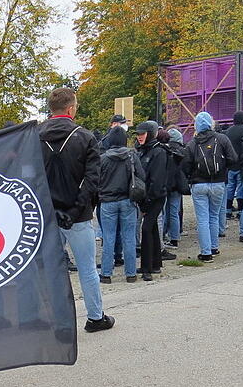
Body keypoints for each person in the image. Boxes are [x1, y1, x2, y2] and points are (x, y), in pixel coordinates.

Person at [38, 87, 113, 332]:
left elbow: (31, 178)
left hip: (47, 215)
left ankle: (54, 320)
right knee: (87, 268)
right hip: (77, 216)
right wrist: (74, 210)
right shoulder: (85, 137)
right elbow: (92, 180)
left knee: (50, 270)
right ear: (71, 109)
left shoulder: (35, 137)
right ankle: (94, 317)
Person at [182, 111, 238, 262]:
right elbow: (233, 158)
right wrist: (224, 170)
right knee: (214, 216)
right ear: (211, 123)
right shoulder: (222, 139)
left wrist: (191, 177)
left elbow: (185, 165)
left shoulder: (193, 143)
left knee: (202, 218)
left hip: (199, 184)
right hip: (218, 183)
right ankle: (214, 247)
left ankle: (205, 252)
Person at [98, 126, 145, 284]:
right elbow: (141, 176)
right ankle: (130, 274)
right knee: (129, 237)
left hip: (108, 202)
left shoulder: (103, 158)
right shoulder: (132, 155)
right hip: (128, 200)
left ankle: (106, 274)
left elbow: (97, 180)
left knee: (109, 237)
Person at [134, 121, 170, 280]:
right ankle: (155, 263)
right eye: (138, 134)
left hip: (155, 196)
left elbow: (156, 180)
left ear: (150, 133)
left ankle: (147, 267)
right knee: (152, 227)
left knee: (147, 228)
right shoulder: (143, 151)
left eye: (142, 133)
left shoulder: (158, 152)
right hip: (147, 196)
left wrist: (147, 202)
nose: (139, 137)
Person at [223, 111, 243, 226]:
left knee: (230, 186)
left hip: (230, 164)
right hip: (242, 163)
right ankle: (240, 210)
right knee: (240, 187)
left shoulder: (228, 131)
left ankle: (228, 210)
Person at [163, 127, 188, 248]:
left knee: (163, 212)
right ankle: (175, 237)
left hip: (166, 184)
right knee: (174, 212)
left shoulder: (164, 151)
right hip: (178, 185)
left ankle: (163, 235)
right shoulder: (183, 151)